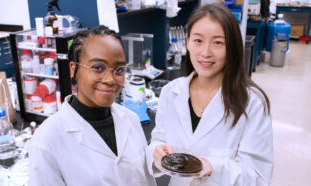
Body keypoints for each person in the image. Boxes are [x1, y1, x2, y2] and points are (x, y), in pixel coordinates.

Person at [147, 3, 273, 186]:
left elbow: (257, 177)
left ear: (232, 47)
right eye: (198, 41)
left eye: (218, 43)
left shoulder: (252, 102)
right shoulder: (171, 92)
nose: (206, 53)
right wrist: (156, 152)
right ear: (187, 41)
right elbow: (159, 138)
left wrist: (210, 167)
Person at [28, 26, 156, 186]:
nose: (110, 79)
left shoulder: (131, 119)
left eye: (119, 69)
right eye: (97, 67)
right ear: (74, 69)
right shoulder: (45, 142)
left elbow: (147, 180)